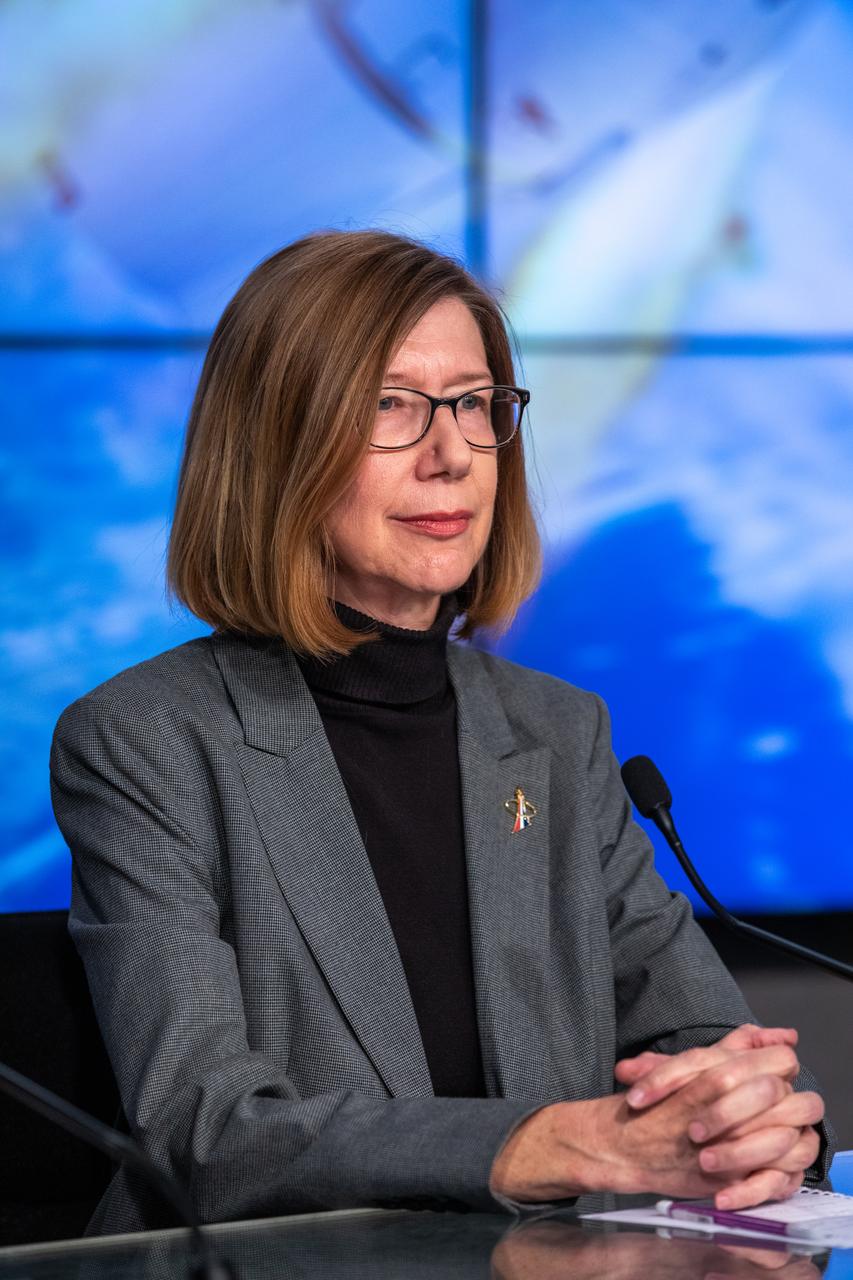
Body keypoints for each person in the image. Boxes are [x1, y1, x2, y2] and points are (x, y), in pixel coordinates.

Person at [50, 230, 832, 1235]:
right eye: (390, 405)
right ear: (274, 442)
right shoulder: (146, 740)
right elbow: (209, 1131)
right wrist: (562, 1142)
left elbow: (702, 1032)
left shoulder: (553, 732)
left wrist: (756, 1114)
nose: (451, 451)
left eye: (475, 403)